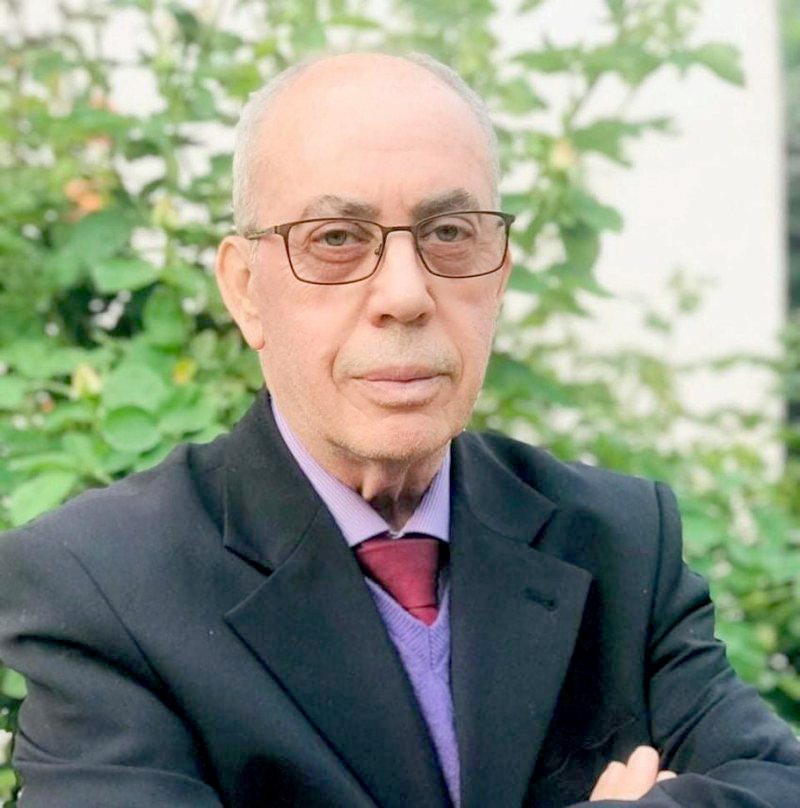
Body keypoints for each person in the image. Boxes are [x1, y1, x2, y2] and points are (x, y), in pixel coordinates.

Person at [0, 51, 798, 808]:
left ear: (499, 275)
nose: (406, 294)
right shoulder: (104, 586)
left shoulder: (617, 543)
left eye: (449, 234)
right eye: (336, 240)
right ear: (245, 291)